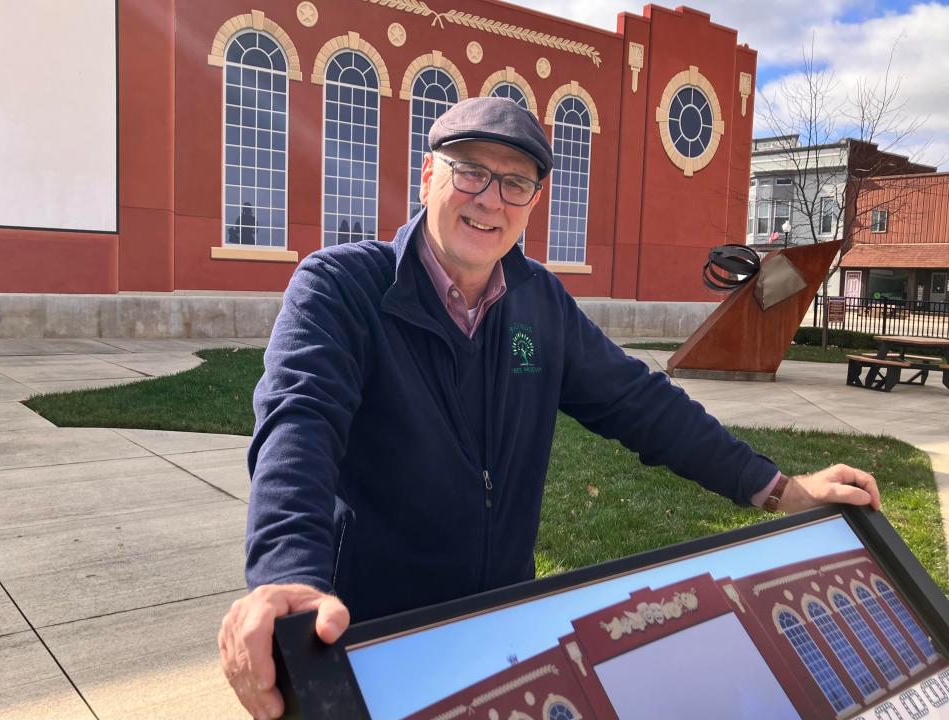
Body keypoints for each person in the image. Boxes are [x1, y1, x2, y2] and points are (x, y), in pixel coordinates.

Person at [219, 97, 880, 720]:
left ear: (533, 203)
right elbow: (298, 423)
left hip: (501, 625)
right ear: (427, 177)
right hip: (367, 633)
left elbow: (642, 404)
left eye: (516, 184)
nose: (490, 199)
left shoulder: (541, 303)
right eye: (470, 172)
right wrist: (287, 577)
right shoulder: (341, 286)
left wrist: (781, 490)